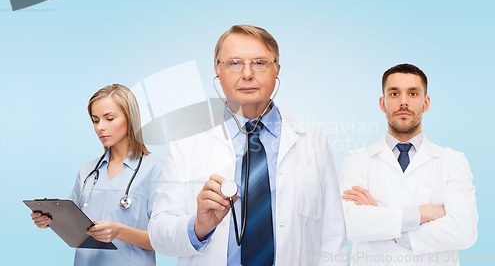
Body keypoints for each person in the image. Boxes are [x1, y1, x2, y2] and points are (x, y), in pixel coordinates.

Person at [149, 24, 348, 265]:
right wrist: (199, 226)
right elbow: (159, 234)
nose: (246, 74)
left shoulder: (312, 140)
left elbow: (333, 238)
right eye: (234, 63)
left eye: (259, 63)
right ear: (217, 70)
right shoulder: (186, 142)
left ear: (277, 70)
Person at [339, 63, 478, 265]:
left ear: (426, 103)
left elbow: (464, 231)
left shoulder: (452, 161)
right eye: (394, 94)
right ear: (382, 103)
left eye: (413, 94)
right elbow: (350, 224)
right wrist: (424, 213)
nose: (403, 102)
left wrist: (386, 225)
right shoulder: (358, 159)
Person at [31, 84, 163, 266]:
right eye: (95, 120)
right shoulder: (86, 172)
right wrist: (49, 221)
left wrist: (118, 232)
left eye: (109, 118)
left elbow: (164, 240)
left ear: (130, 118)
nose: (100, 127)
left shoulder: (155, 169)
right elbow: (72, 224)